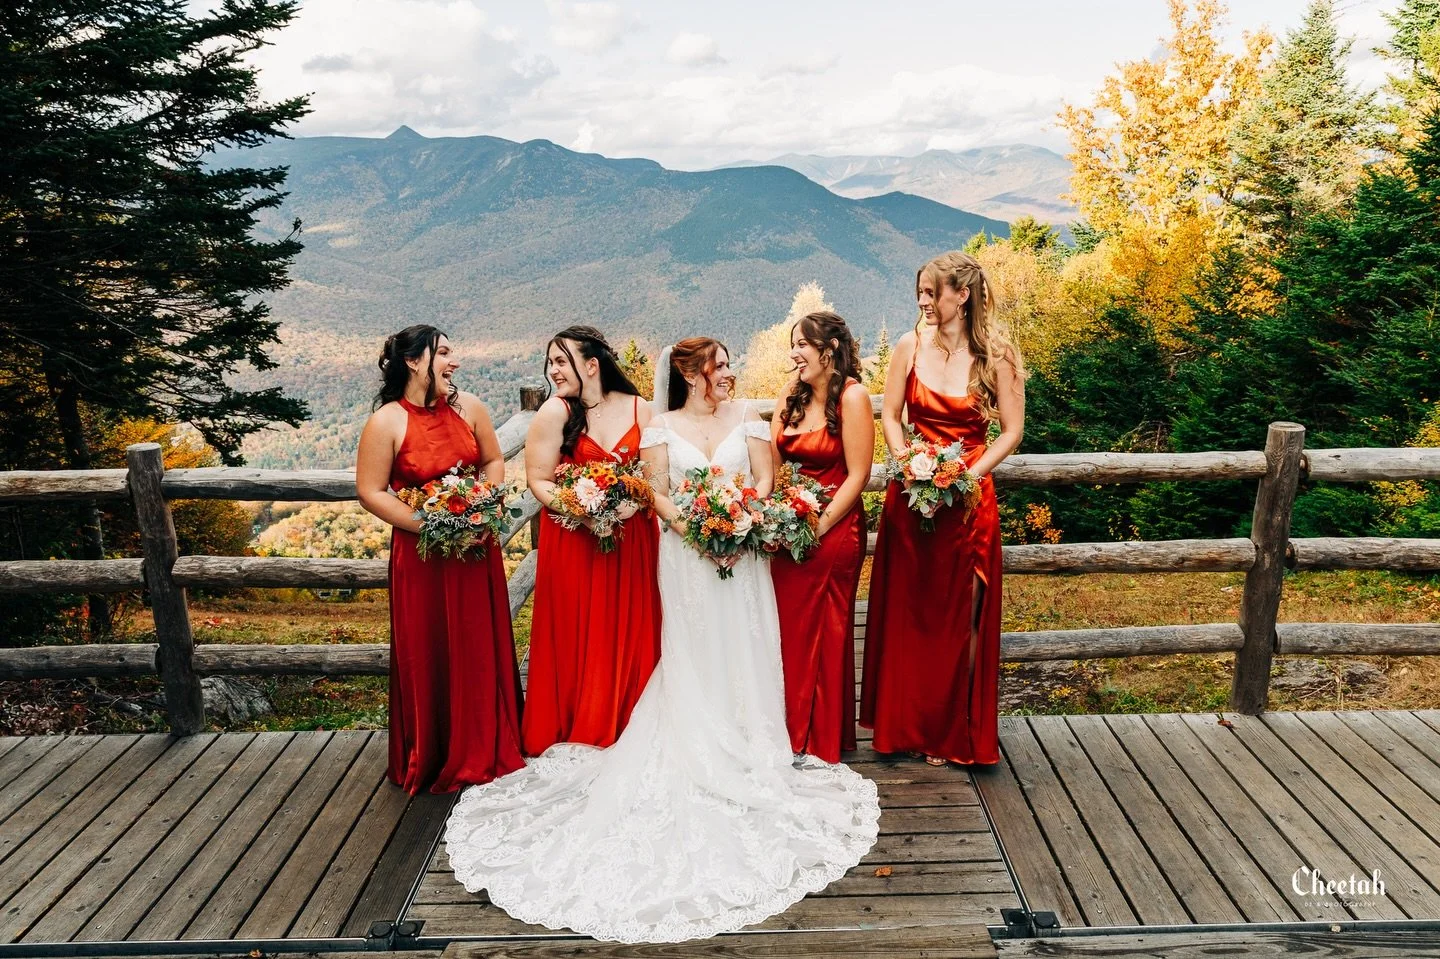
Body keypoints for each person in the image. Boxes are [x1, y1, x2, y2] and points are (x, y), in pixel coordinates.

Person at [443, 337, 880, 944]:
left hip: (742, 557)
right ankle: (697, 740)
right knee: (693, 654)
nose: (729, 374)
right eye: (721, 366)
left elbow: (762, 483)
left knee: (745, 648)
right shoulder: (660, 428)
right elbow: (656, 495)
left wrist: (738, 520)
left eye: (728, 365)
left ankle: (752, 740)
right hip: (685, 559)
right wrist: (698, 527)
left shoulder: (752, 422)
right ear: (694, 375)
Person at [861, 252, 1025, 767]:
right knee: (909, 614)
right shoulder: (909, 346)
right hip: (912, 499)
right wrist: (910, 463)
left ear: (964, 295)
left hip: (969, 502)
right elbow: (889, 415)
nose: (924, 302)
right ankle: (904, 726)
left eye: (934, 293)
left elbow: (1013, 433)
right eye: (921, 292)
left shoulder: (998, 353)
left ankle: (950, 729)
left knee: (961, 617)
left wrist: (965, 476)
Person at [355, 325, 525, 794]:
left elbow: (492, 460)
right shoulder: (387, 422)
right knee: (427, 646)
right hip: (423, 556)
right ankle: (432, 750)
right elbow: (371, 491)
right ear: (414, 361)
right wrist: (432, 524)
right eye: (444, 352)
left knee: (476, 642)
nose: (455, 361)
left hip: (474, 551)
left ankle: (487, 741)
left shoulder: (470, 408)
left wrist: (480, 504)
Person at [520, 325, 661, 755]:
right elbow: (539, 481)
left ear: (592, 365)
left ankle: (630, 720)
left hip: (631, 539)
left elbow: (655, 478)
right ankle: (577, 720)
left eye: (561, 361)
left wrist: (633, 503)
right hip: (574, 542)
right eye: (550, 362)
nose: (553, 371)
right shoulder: (556, 412)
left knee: (631, 628)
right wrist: (580, 510)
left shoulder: (642, 410)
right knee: (578, 632)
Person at [769, 311, 874, 764]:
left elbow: (859, 475)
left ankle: (819, 735)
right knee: (784, 626)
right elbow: (772, 467)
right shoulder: (788, 397)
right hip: (786, 524)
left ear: (829, 351)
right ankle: (784, 727)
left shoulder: (852, 397)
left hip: (836, 524)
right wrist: (773, 517)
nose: (793, 354)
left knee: (824, 628)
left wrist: (819, 525)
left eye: (802, 345)